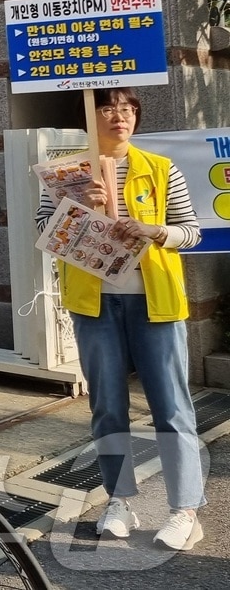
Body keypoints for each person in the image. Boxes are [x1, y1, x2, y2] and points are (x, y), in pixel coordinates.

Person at [36, 87, 204, 551]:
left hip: (156, 301)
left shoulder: (160, 168)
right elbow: (45, 232)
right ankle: (119, 500)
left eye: (128, 109)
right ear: (88, 116)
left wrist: (158, 232)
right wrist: (80, 209)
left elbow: (191, 231)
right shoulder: (67, 172)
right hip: (94, 304)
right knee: (107, 406)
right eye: (108, 107)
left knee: (171, 407)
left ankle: (185, 510)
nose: (119, 116)